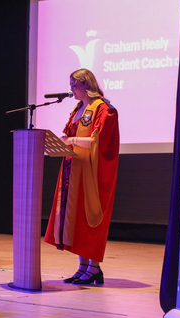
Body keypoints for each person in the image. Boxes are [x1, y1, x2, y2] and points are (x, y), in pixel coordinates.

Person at [44, 69, 120, 285]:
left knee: (91, 217)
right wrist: (64, 140)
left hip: (91, 172)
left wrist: (72, 141)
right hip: (73, 168)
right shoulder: (78, 108)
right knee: (75, 217)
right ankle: (83, 267)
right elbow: (70, 134)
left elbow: (99, 142)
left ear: (87, 84)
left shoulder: (105, 109)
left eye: (74, 85)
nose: (71, 90)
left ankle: (94, 268)